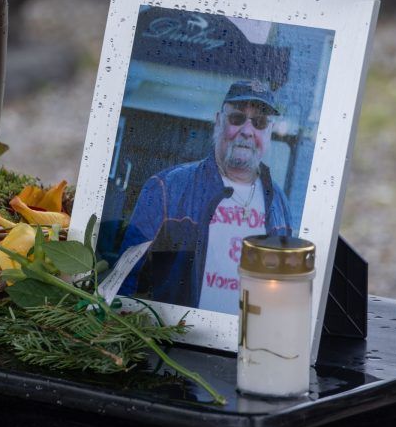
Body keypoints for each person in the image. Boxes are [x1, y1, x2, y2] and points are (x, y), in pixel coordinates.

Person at [118, 80, 293, 312]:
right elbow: (124, 280)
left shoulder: (279, 203)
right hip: (177, 341)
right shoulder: (166, 187)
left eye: (259, 123)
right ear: (219, 121)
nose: (247, 131)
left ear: (269, 131)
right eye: (237, 118)